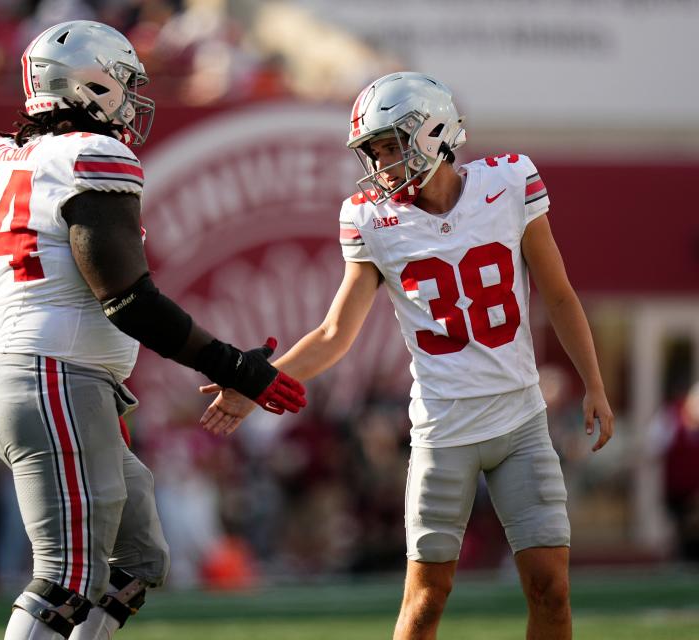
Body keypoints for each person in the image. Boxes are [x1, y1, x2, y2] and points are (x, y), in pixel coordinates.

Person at [201, 72, 615, 639]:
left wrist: (593, 381)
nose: (381, 164)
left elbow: (560, 294)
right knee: (425, 600)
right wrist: (256, 383)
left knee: (551, 588)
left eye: (391, 146)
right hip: (444, 430)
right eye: (373, 152)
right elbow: (333, 334)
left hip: (520, 422)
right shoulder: (372, 219)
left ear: (435, 133)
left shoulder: (511, 182)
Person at [0, 20, 306, 640]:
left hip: (42, 378)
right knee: (67, 574)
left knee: (137, 563)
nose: (132, 100)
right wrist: (236, 367)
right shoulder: (90, 157)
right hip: (54, 379)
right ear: (90, 85)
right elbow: (128, 301)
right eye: (123, 83)